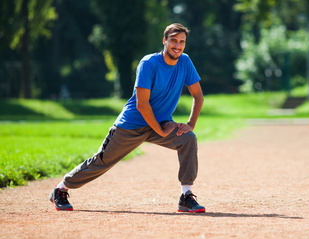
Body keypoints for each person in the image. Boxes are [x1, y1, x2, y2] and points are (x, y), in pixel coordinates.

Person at [49, 23, 206, 213]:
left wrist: (190, 124)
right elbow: (142, 105)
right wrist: (160, 129)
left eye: (182, 42)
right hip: (132, 124)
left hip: (162, 124)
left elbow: (198, 95)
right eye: (173, 41)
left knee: (188, 139)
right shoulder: (148, 64)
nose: (177, 46)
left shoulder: (185, 62)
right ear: (164, 41)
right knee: (102, 161)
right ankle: (61, 188)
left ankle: (186, 196)